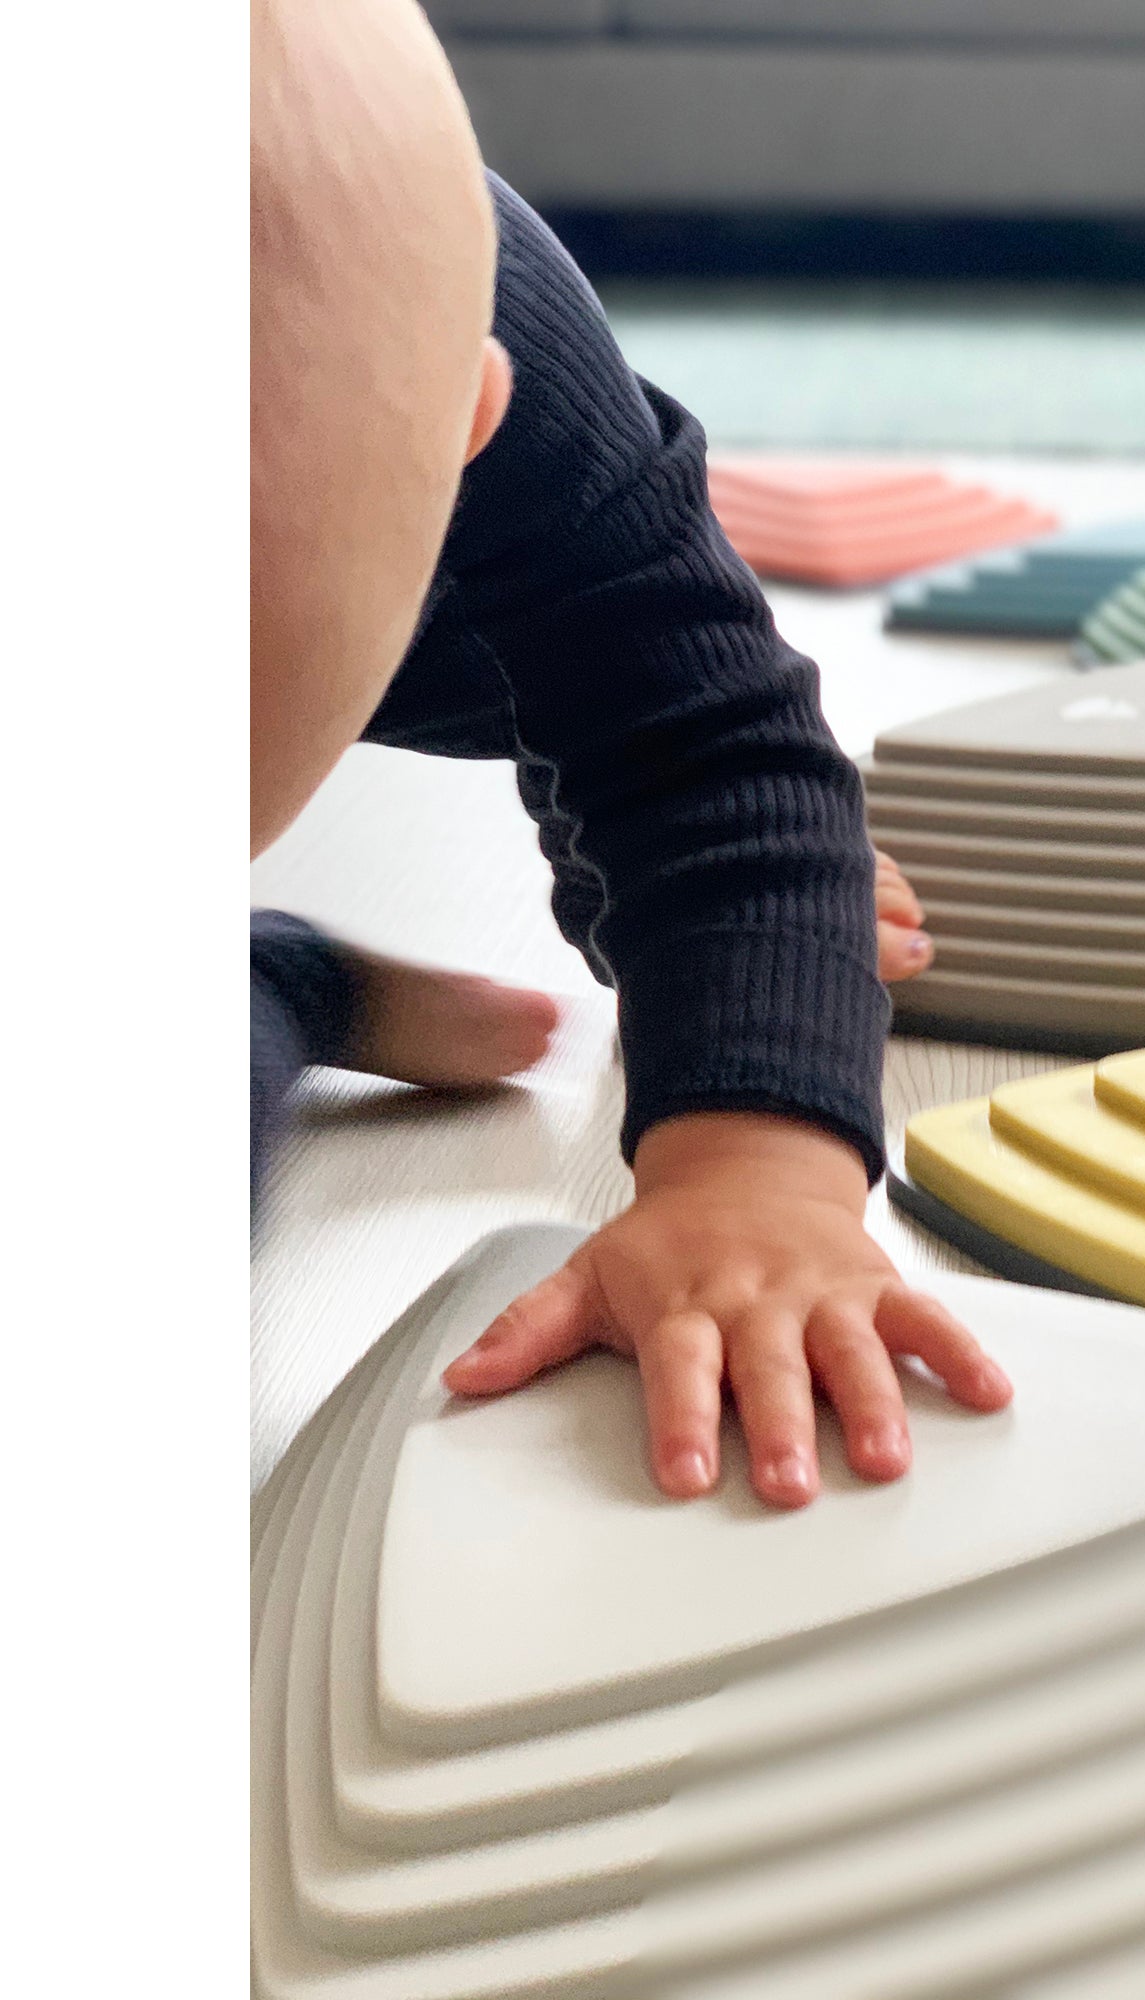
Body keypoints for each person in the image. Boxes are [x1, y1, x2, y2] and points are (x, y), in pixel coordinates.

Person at [251, 0, 1011, 1511]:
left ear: (461, 430)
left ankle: (282, 980)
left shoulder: (529, 423)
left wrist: (753, 1178)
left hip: (484, 610)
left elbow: (720, 766)